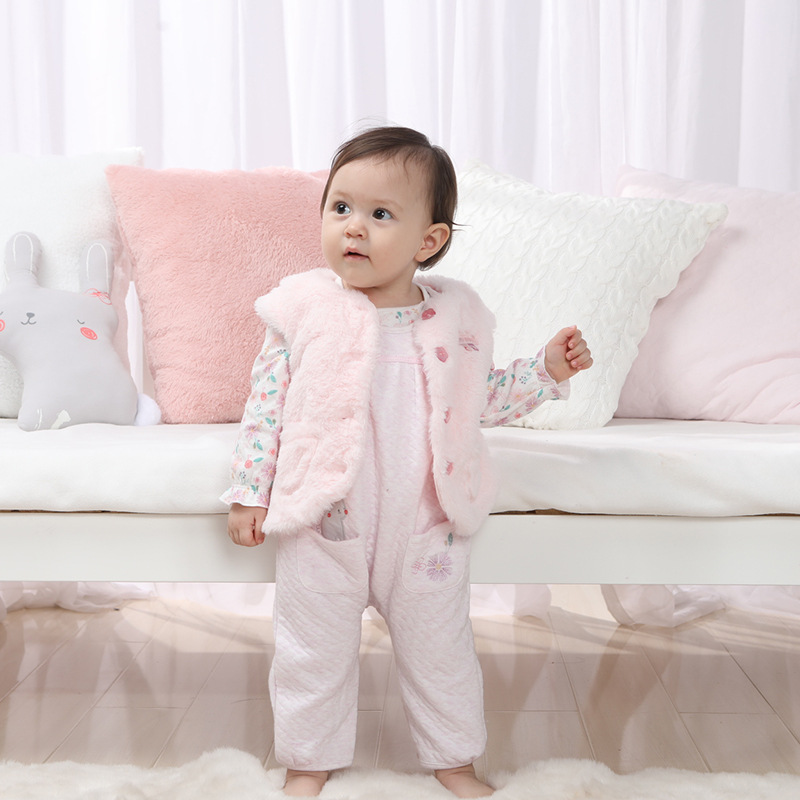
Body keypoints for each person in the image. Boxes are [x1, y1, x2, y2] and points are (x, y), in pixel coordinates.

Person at [223, 126, 592, 798]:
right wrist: (251, 491)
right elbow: (265, 407)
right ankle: (308, 762)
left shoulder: (452, 318)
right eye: (340, 207)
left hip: (424, 525)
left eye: (380, 214)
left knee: (441, 651)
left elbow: (479, 400)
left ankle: (455, 762)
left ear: (429, 240)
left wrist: (544, 371)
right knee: (311, 651)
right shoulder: (304, 310)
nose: (353, 227)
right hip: (324, 521)